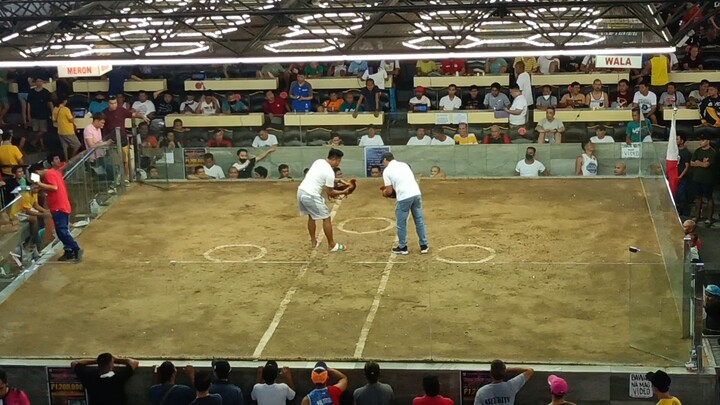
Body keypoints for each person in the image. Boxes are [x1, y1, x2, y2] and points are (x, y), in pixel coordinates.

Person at [30, 154, 83, 262]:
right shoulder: (54, 173)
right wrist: (40, 186)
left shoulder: (49, 174)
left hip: (59, 207)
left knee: (62, 231)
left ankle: (76, 248)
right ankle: (68, 251)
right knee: (61, 231)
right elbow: (52, 189)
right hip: (61, 205)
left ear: (37, 172)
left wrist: (39, 183)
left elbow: (54, 187)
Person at [298, 149, 350, 251]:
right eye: (339, 160)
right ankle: (332, 245)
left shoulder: (318, 162)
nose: (339, 162)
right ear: (335, 159)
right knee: (326, 218)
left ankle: (313, 241)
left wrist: (337, 180)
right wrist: (344, 192)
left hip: (301, 192)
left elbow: (320, 177)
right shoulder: (330, 172)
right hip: (311, 195)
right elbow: (329, 192)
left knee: (311, 216)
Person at [381, 152, 429, 255]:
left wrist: (384, 193)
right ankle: (424, 245)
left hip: (404, 197)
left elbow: (389, 191)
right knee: (419, 221)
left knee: (401, 223)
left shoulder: (387, 171)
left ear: (385, 160)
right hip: (416, 194)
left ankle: (403, 247)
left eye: (383, 162)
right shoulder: (404, 164)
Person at [72, 352, 139, 405]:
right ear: (111, 365)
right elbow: (134, 362)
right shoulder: (119, 378)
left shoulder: (90, 378)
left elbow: (74, 363)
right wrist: (117, 360)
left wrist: (96, 360)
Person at [690, 133, 716, 225]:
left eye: (702, 140)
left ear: (708, 141)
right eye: (700, 140)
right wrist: (700, 163)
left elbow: (706, 165)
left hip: (707, 179)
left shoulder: (712, 152)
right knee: (698, 197)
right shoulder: (697, 151)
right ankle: (697, 216)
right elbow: (692, 163)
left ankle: (709, 218)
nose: (700, 142)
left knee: (709, 198)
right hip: (697, 178)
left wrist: (698, 162)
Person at [676, 133, 692, 215]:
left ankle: (682, 212)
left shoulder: (686, 153)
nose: (676, 141)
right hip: (674, 176)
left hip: (682, 178)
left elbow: (687, 166)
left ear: (682, 141)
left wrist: (680, 176)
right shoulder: (675, 150)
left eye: (677, 139)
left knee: (681, 195)